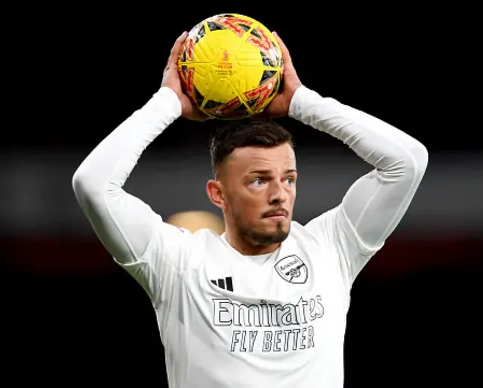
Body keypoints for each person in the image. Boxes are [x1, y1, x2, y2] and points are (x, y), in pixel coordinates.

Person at [72, 30, 429, 388]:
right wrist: (167, 103)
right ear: (218, 194)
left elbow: (408, 161)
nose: (280, 195)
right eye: (259, 180)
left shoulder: (331, 248)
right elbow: (92, 184)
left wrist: (302, 102)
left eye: (288, 179)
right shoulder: (178, 263)